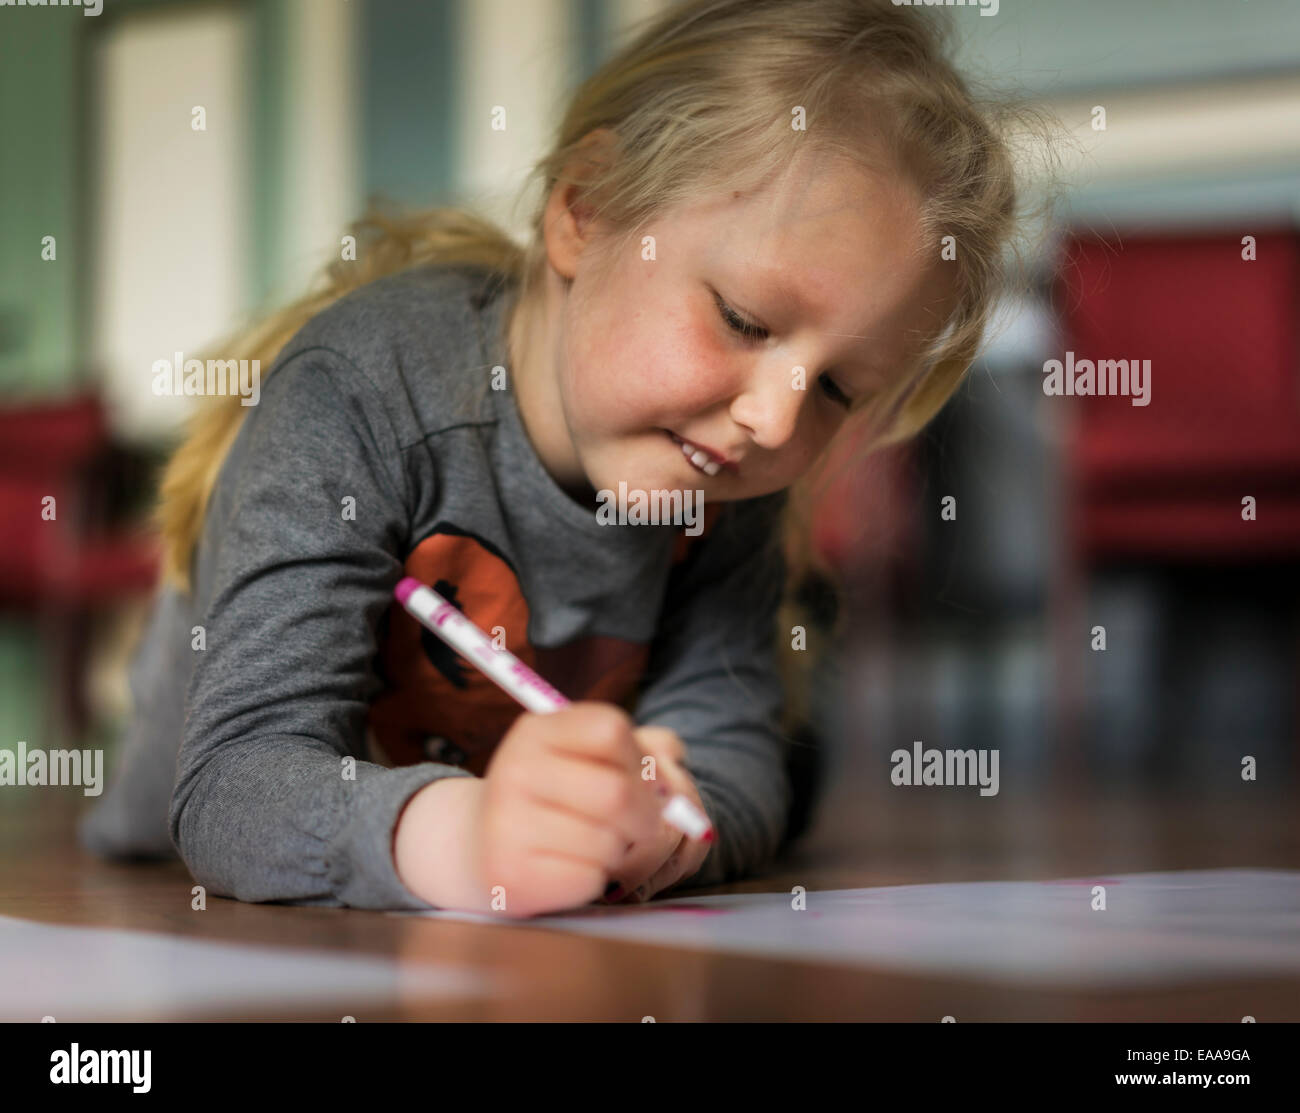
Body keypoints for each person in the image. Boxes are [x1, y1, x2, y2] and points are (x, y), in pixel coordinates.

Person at [79, 0, 1043, 918]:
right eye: (745, 320)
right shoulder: (353, 389)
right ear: (583, 211)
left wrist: (664, 828)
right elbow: (236, 781)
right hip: (181, 836)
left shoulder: (720, 475)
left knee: (782, 758)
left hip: (485, 794)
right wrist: (471, 842)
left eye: (837, 388)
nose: (776, 419)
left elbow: (726, 762)